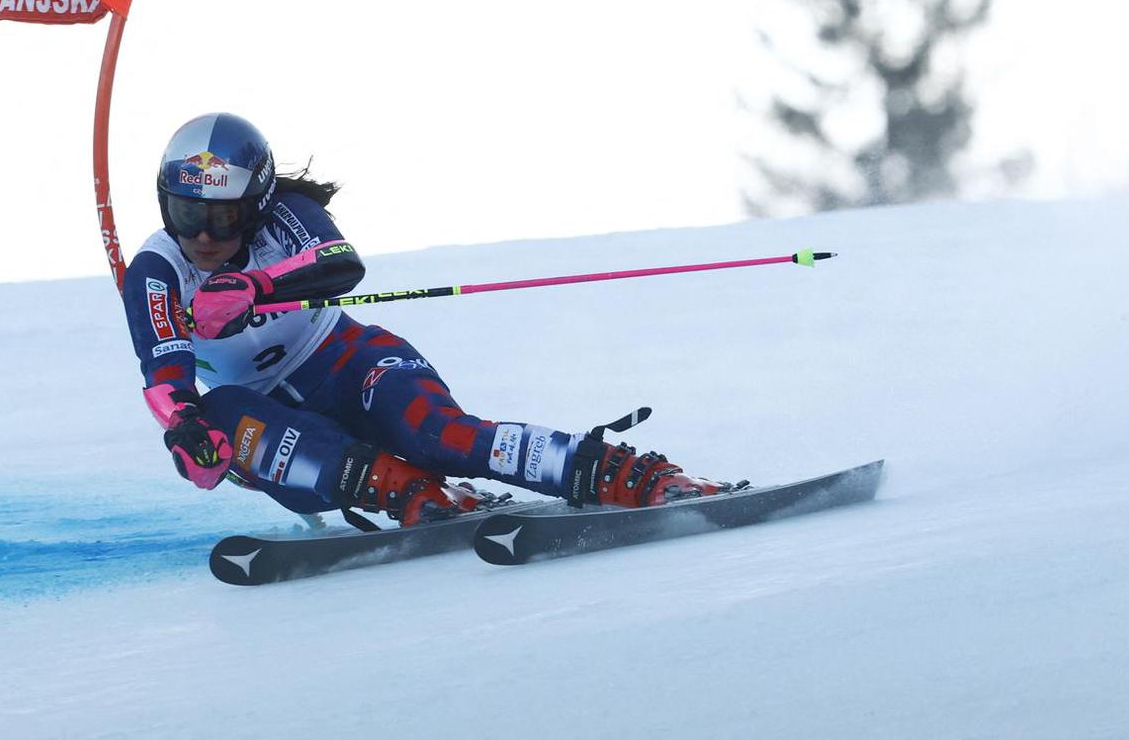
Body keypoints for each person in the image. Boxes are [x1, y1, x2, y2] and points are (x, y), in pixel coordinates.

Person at [121, 112, 736, 526]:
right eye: (184, 211)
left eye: (223, 219)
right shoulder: (158, 267)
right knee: (223, 407)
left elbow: (339, 263)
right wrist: (187, 434)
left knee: (440, 436)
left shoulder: (288, 211)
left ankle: (625, 475)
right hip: (272, 416)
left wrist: (254, 284)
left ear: (254, 204)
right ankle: (408, 493)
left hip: (347, 361)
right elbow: (167, 377)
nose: (202, 234)